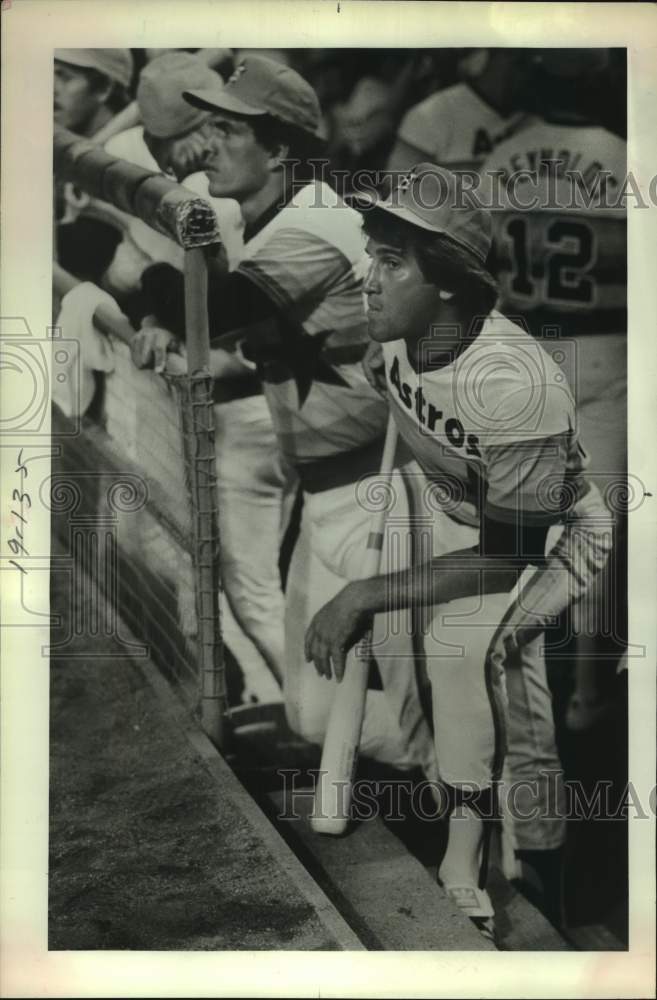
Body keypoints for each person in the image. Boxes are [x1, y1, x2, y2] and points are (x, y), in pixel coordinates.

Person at [304, 164, 612, 935]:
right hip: (467, 519)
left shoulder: (514, 383)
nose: (365, 280)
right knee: (449, 665)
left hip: (551, 538)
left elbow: (510, 552)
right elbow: (407, 400)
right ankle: (479, 832)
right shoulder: (403, 333)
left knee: (480, 659)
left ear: (446, 282)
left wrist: (365, 594)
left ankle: (513, 866)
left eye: (388, 262)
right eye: (368, 255)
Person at [130, 55, 438, 777]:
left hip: (385, 494)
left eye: (228, 129)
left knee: (425, 706)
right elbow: (201, 311)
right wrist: (161, 307)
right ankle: (462, 801)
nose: (207, 145)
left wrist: (147, 291)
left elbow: (203, 307)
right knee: (317, 714)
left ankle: (494, 850)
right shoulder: (270, 223)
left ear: (277, 149)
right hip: (332, 494)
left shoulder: (316, 220)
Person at [111, 52, 293, 703]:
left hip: (252, 405)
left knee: (251, 588)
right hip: (236, 396)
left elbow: (190, 298)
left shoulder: (220, 195)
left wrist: (157, 304)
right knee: (213, 571)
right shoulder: (210, 178)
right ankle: (272, 707)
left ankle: (311, 724)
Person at [480, 48, 627, 730]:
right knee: (597, 524)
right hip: (603, 354)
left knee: (518, 520)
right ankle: (588, 693)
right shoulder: (626, 156)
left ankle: (512, 670)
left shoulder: (498, 156)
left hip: (522, 353)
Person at [387, 48, 534, 174]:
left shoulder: (532, 121)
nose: (526, 74)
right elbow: (398, 183)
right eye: (519, 62)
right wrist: (499, 169)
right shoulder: (432, 114)